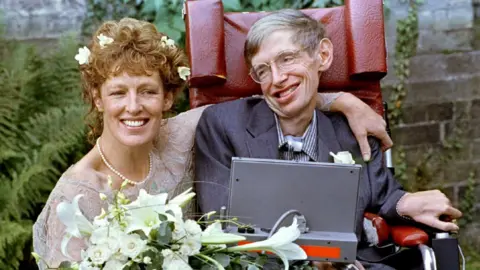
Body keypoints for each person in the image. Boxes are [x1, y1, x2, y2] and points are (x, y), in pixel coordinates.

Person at [32, 17, 392, 269]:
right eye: (118, 93)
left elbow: (279, 101)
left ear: (168, 99)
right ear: (98, 99)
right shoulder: (76, 198)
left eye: (147, 92)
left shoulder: (186, 132)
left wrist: (345, 101)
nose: (134, 107)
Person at [194, 9, 462, 270]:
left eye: (287, 59)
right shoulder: (223, 126)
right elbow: (220, 225)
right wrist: (308, 260)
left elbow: (382, 195)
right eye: (263, 70)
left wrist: (405, 204)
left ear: (322, 55)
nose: (277, 78)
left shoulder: (352, 131)